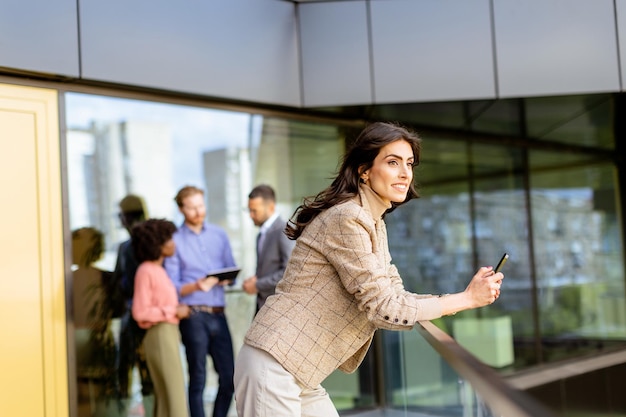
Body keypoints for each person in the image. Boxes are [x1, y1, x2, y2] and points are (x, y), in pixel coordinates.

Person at [233, 122, 505, 417]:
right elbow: (383, 307)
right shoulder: (347, 218)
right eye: (393, 162)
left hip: (300, 371)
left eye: (409, 164)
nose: (405, 173)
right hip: (274, 365)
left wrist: (463, 295)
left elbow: (396, 295)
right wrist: (466, 300)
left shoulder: (374, 223)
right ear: (364, 170)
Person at [164, 185, 238, 417]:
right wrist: (197, 285)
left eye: (201, 205)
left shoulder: (219, 234)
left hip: (219, 313)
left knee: (229, 378)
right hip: (193, 315)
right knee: (198, 379)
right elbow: (171, 286)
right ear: (181, 209)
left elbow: (231, 269)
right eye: (192, 208)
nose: (198, 211)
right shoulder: (174, 240)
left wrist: (227, 279)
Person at [131, 218, 191, 417]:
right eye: (168, 240)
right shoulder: (146, 270)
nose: (173, 243)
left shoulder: (157, 270)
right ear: (156, 244)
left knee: (168, 397)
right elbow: (140, 312)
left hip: (166, 334)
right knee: (173, 396)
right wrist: (173, 311)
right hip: (159, 336)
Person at [112, 194, 154, 413]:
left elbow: (120, 281)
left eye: (120, 215)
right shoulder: (126, 247)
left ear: (127, 217)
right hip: (134, 317)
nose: (119, 220)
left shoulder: (142, 245)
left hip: (143, 318)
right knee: (128, 372)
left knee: (141, 373)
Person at [242, 184, 295, 314]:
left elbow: (290, 271)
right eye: (249, 210)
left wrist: (258, 284)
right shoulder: (261, 234)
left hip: (279, 308)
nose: (251, 215)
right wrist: (256, 278)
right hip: (263, 305)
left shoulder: (284, 230)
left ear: (270, 207)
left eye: (254, 211)